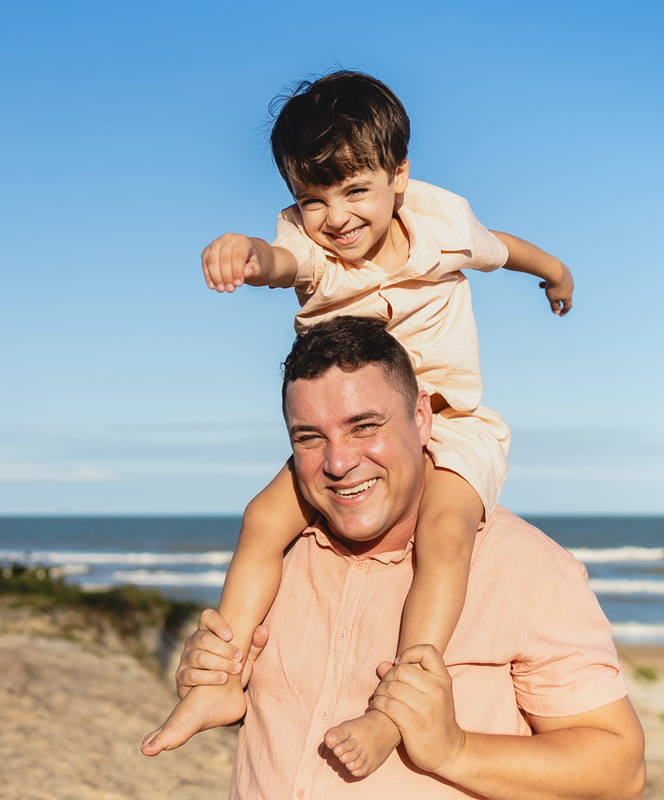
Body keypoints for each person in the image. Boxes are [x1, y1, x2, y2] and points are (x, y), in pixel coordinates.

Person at [142, 70, 575, 777]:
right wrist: (247, 257)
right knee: (261, 519)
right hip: (353, 431)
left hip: (450, 422)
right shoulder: (310, 250)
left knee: (444, 534)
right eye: (312, 200)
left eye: (354, 191)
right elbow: (280, 261)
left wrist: (553, 271)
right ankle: (218, 685)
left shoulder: (442, 224)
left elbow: (500, 247)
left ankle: (396, 709)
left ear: (397, 176)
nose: (336, 218)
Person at [145, 316, 645, 799]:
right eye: (310, 438)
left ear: (422, 418)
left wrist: (455, 750)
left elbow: (619, 773)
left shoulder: (524, 566)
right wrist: (215, 671)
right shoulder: (277, 553)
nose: (338, 463)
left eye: (363, 427)